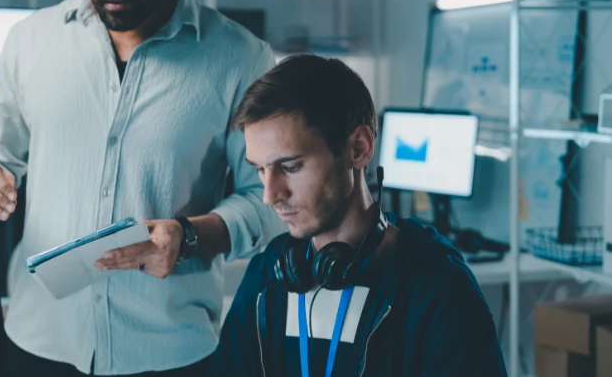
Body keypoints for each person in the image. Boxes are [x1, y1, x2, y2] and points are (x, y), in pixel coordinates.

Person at [0, 0, 284, 376]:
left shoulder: (240, 57)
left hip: (169, 352)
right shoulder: (30, 41)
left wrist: (188, 236)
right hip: (40, 340)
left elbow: (270, 198)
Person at [214, 55, 507, 376]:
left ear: (358, 149)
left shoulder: (437, 287)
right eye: (260, 169)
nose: (271, 196)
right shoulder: (266, 278)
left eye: (291, 167)